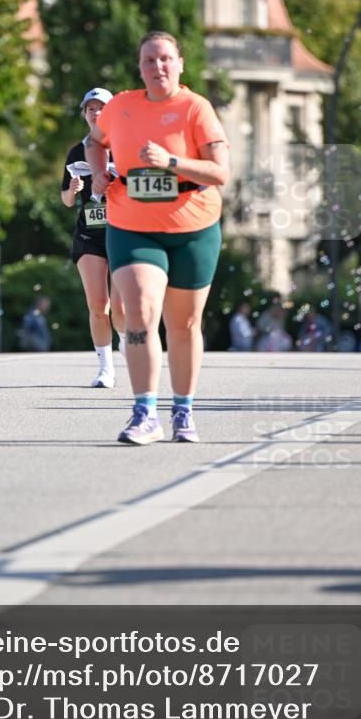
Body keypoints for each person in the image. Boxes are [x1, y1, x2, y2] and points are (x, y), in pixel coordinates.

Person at [86, 31, 230, 444]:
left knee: (183, 324)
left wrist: (171, 162)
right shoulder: (120, 107)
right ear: (140, 68)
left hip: (193, 226)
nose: (158, 67)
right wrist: (98, 170)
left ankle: (182, 410)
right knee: (141, 312)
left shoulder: (195, 108)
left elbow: (220, 172)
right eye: (149, 60)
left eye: (165, 59)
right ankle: (144, 413)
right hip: (131, 224)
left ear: (180, 64)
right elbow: (94, 142)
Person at [61, 87, 125, 388]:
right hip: (89, 235)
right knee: (99, 306)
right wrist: (71, 190)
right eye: (90, 109)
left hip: (124, 233)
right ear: (84, 114)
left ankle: (125, 339)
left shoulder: (126, 144)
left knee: (122, 309)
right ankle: (105, 368)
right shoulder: (76, 152)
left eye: (101, 108)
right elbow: (66, 201)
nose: (95, 113)